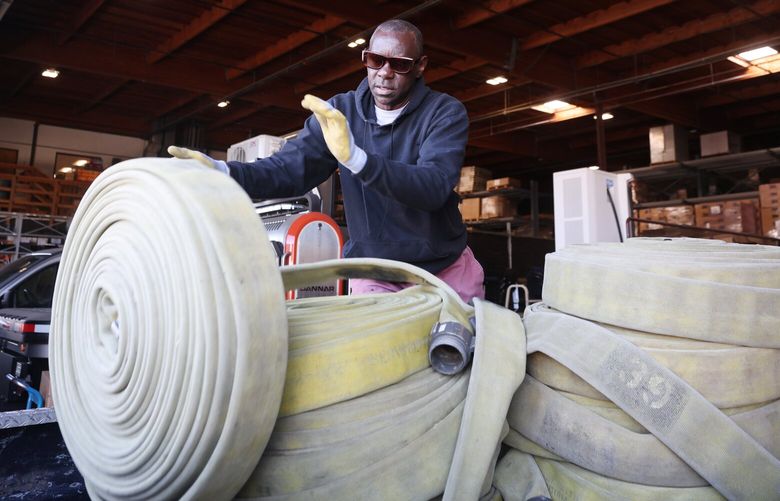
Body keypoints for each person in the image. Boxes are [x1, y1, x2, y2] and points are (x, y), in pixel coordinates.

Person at [169, 19, 484, 303]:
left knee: (463, 356)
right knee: (375, 360)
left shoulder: (444, 113)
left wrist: (357, 159)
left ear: (420, 66)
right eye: (376, 60)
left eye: (399, 64)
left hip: (443, 268)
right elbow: (290, 170)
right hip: (376, 273)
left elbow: (433, 187)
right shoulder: (339, 114)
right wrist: (222, 170)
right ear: (365, 59)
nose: (385, 72)